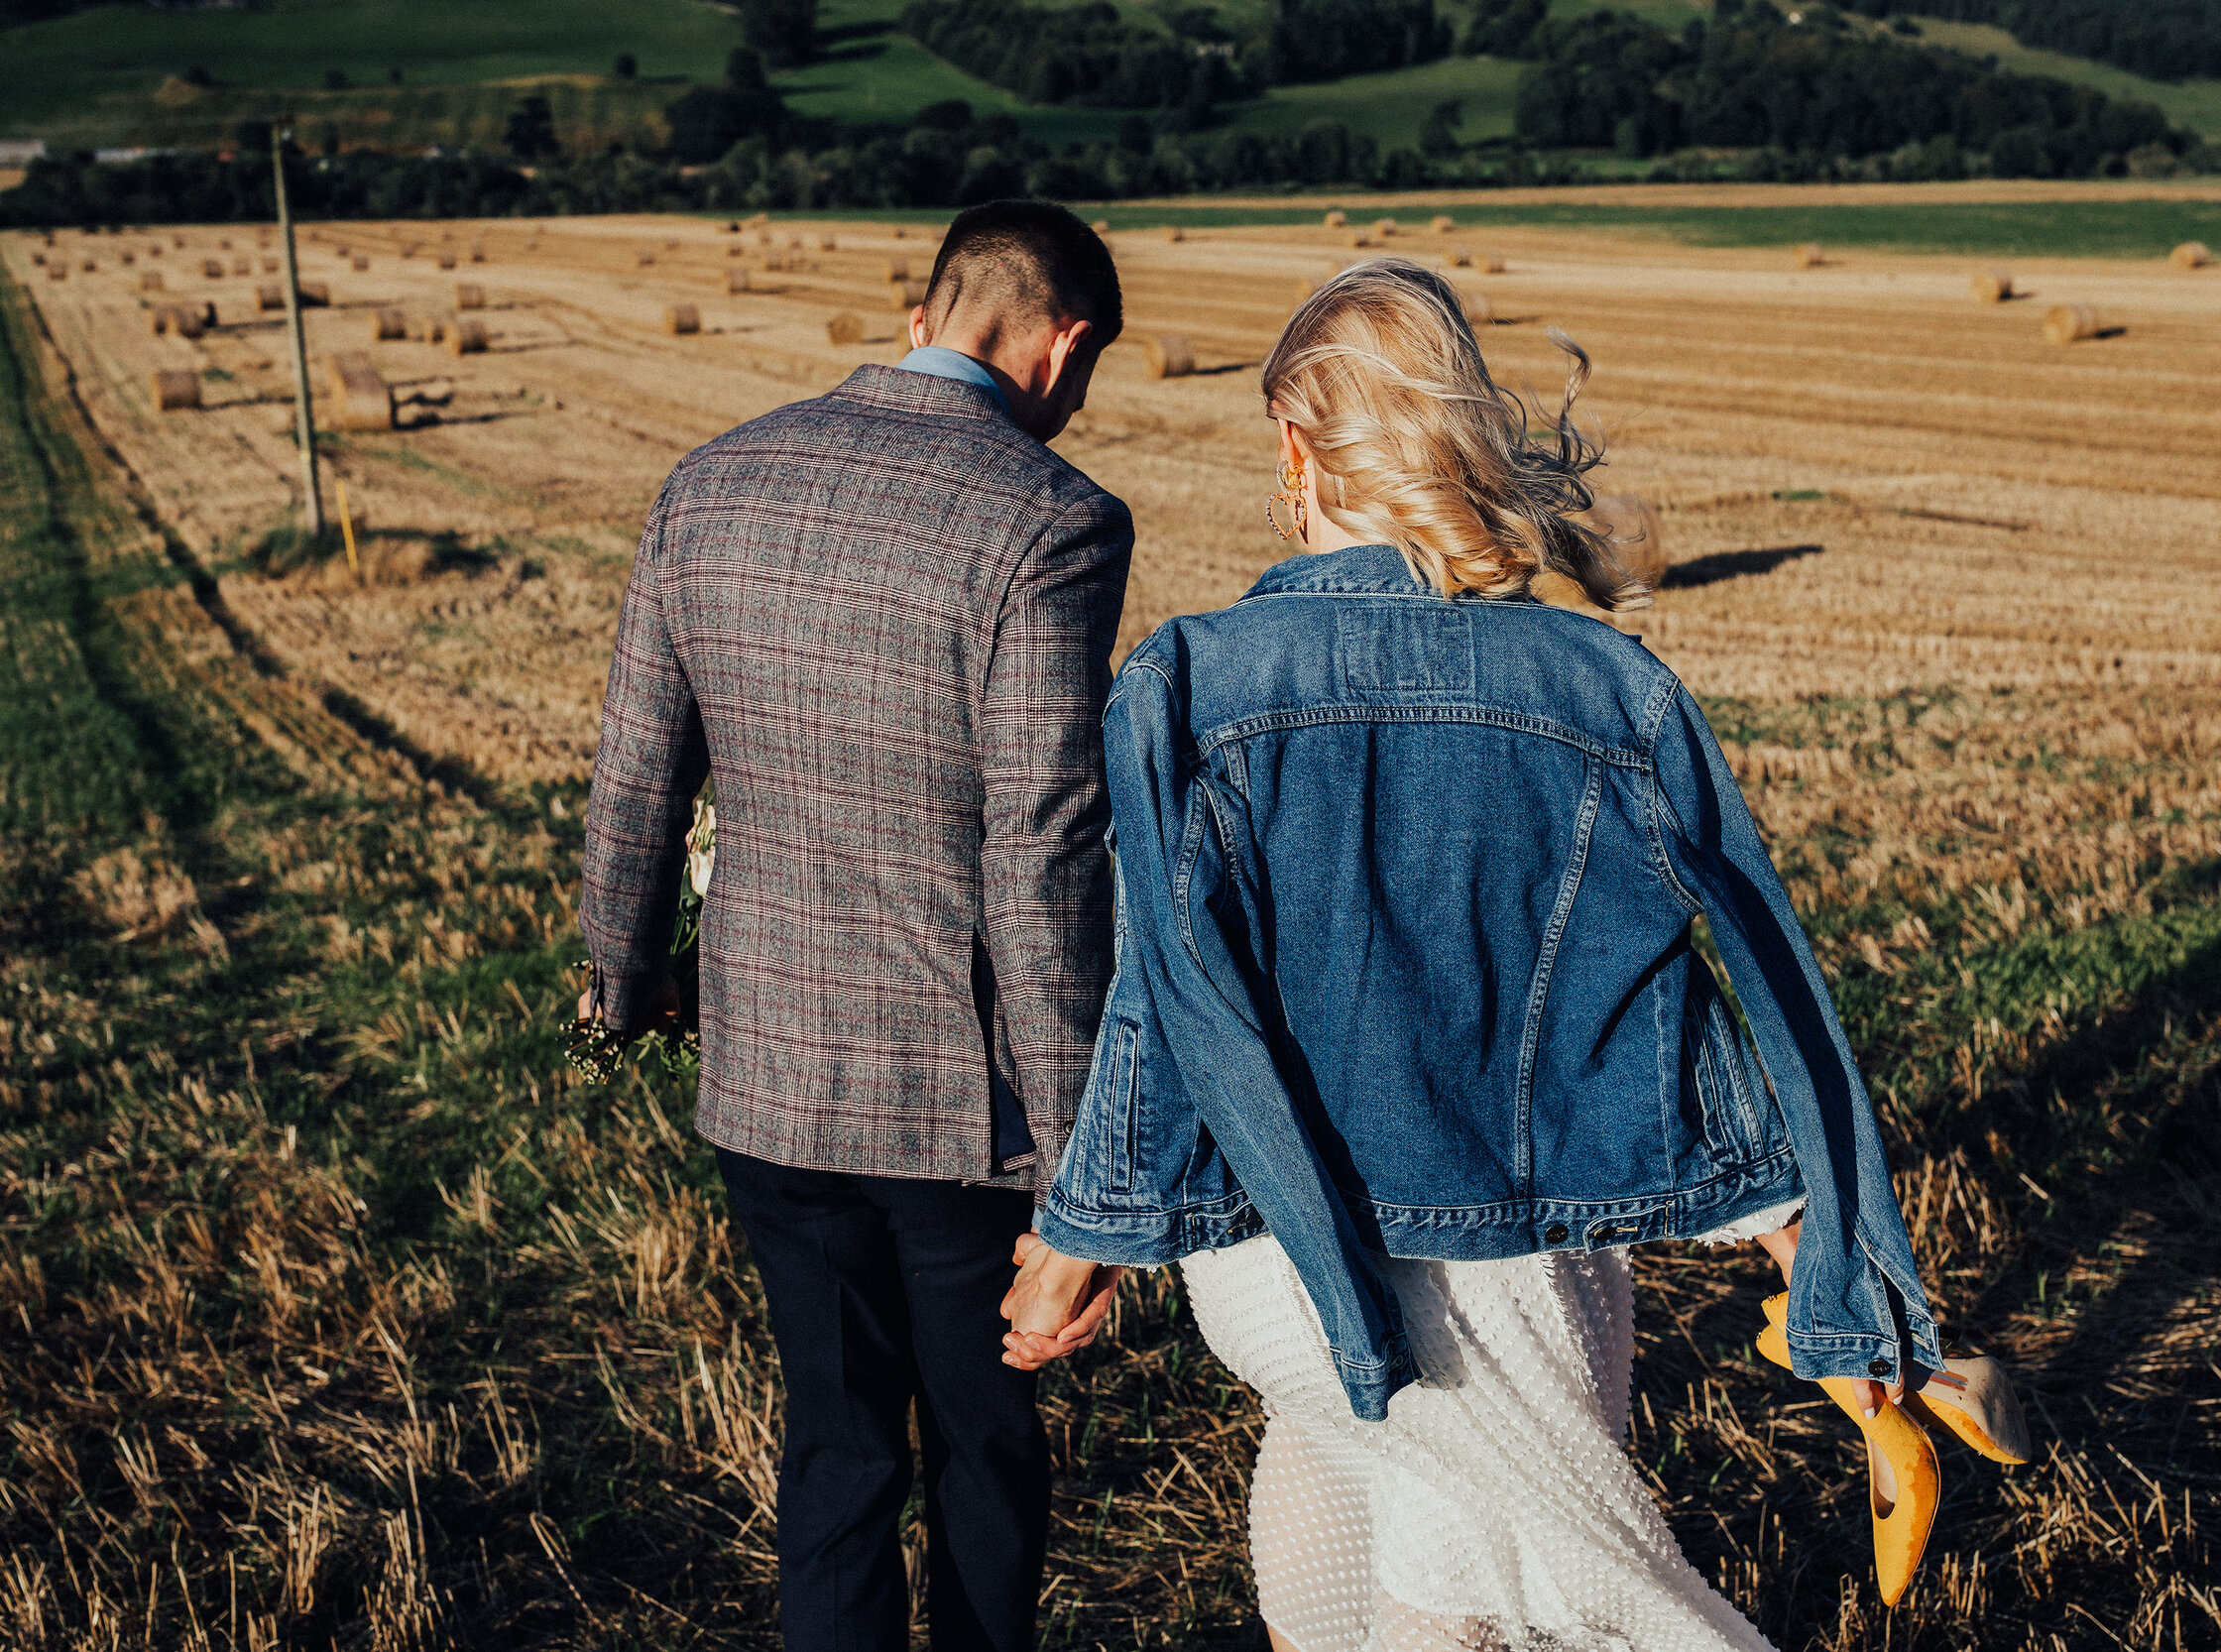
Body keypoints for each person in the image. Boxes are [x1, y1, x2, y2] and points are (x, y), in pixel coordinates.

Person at [1002, 258, 1979, 1649]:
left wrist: (1085, 1232)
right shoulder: (1611, 685)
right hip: (1528, 1258)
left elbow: (1170, 1005)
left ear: (1296, 445)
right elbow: (1707, 989)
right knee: (1506, 1578)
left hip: (1286, 1256)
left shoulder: (1187, 681)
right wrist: (1811, 1235)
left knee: (1353, 1509)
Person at [579, 198, 1131, 1652]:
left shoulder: (710, 482)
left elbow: (638, 768)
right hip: (963, 1111)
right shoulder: (1056, 523)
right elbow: (1047, 849)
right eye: (1086, 377)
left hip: (764, 1079)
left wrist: (623, 982)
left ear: (924, 314)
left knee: (832, 1451)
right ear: (1063, 345)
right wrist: (1085, 1165)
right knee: (984, 1458)